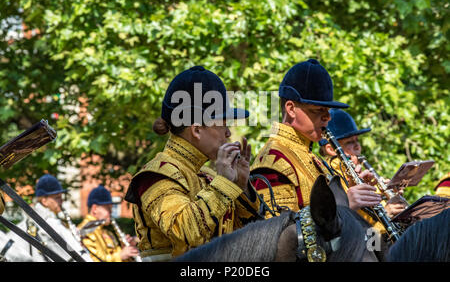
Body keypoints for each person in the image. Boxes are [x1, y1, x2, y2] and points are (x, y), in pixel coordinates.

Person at [124, 66, 260, 261]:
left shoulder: (208, 174)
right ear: (196, 129)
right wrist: (223, 184)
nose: (228, 133)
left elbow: (246, 238)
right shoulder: (156, 175)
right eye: (223, 124)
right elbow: (185, 233)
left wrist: (241, 185)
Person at [250, 59, 382, 217]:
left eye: (327, 110)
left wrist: (355, 193)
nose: (328, 117)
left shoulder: (312, 156)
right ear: (291, 109)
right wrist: (341, 205)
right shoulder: (275, 159)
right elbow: (277, 233)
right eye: (318, 110)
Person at [318, 108, 408, 232]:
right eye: (350, 142)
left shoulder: (359, 171)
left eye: (357, 140)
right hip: (362, 246)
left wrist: (389, 197)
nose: (357, 146)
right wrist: (386, 216)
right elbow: (357, 234)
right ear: (331, 149)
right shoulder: (331, 177)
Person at [1, 174, 92, 262]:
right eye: (57, 198)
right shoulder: (49, 222)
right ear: (44, 201)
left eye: (61, 197)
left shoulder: (57, 220)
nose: (61, 201)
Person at [78, 185, 139, 262]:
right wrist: (120, 256)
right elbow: (91, 260)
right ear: (95, 209)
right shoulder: (84, 231)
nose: (111, 212)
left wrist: (125, 250)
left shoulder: (106, 232)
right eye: (108, 208)